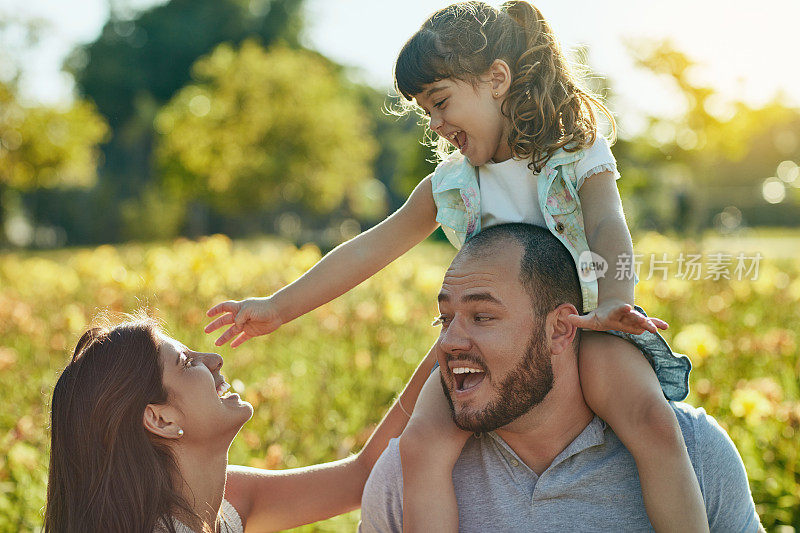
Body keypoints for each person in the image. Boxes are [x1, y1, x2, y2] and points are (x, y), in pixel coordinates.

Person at [203, 2, 702, 530]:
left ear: (496, 79)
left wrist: (614, 301)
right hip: (483, 342)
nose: (437, 124)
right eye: (427, 112)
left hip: (585, 321)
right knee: (419, 443)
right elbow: (370, 248)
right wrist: (278, 308)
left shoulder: (573, 153)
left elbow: (608, 227)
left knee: (652, 421)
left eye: (441, 102)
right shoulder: (452, 183)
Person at [361, 223, 762, 532]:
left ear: (559, 330)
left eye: (482, 316)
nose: (447, 342)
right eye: (444, 318)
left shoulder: (695, 452)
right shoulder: (406, 474)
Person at [44, 314, 436, 533]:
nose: (214, 360)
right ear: (160, 418)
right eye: (185, 363)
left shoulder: (228, 504)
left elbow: (361, 475)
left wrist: (454, 336)